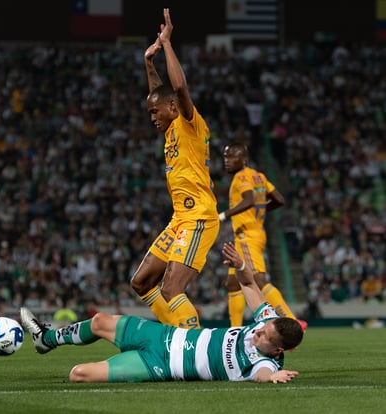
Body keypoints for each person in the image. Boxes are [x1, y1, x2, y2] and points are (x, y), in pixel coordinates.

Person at [20, 241, 303, 384]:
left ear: (278, 351)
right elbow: (249, 285)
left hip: (162, 365)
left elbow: (263, 375)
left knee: (78, 374)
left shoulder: (263, 364)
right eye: (264, 327)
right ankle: (46, 339)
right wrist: (241, 265)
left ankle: (50, 342)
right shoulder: (267, 322)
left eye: (265, 336)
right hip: (164, 335)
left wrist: (274, 378)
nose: (258, 332)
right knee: (99, 321)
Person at [129, 8, 219, 329]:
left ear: (170, 109)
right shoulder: (169, 128)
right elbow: (160, 94)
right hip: (179, 219)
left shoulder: (189, 123)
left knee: (171, 288)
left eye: (155, 113)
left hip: (199, 218)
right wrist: (148, 63)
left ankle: (191, 346)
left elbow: (177, 90)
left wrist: (166, 43)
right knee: (142, 282)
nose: (152, 118)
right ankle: (174, 334)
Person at [219, 142, 306, 330]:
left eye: (232, 157)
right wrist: (262, 209)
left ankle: (292, 321)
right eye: (225, 157)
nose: (227, 161)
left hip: (246, 236)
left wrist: (224, 215)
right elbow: (279, 200)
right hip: (255, 233)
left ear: (243, 160)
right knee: (233, 283)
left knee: (258, 280)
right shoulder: (259, 176)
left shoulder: (241, 177)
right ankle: (234, 330)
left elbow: (249, 199)